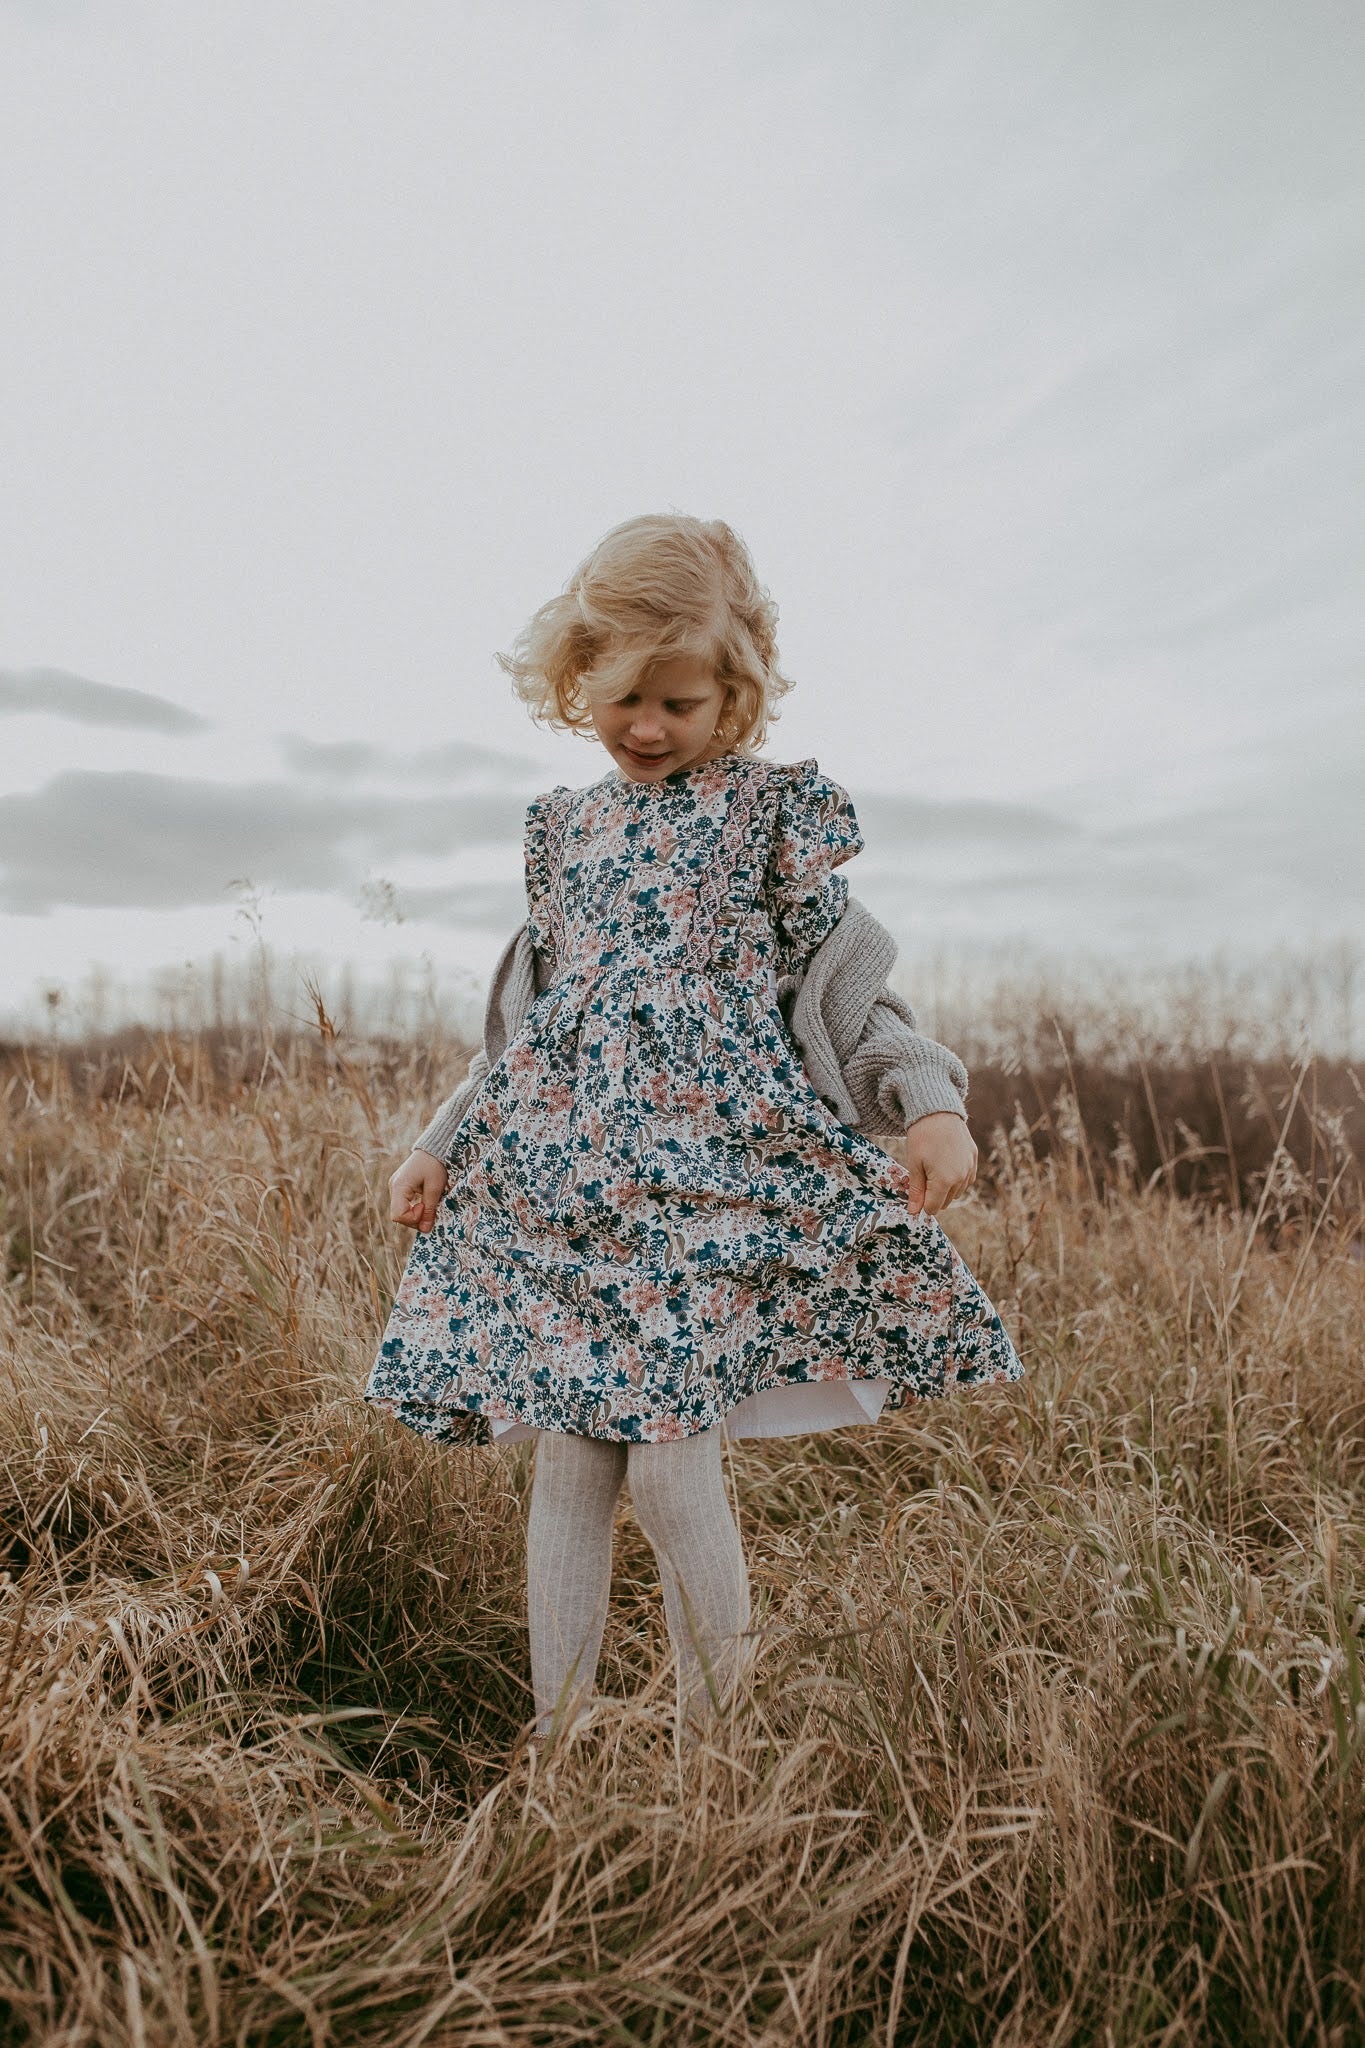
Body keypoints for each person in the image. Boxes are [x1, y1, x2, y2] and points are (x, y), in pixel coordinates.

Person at [363, 513, 1023, 1747]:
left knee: (669, 1461)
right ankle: (559, 1744)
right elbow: (529, 1032)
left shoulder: (765, 823)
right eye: (625, 699)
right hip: (567, 1196)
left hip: (709, 1194)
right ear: (578, 682)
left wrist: (928, 1100)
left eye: (683, 699)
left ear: (738, 692)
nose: (651, 726)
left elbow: (853, 995)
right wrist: (442, 1140)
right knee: (570, 1460)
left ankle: (713, 1747)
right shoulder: (564, 835)